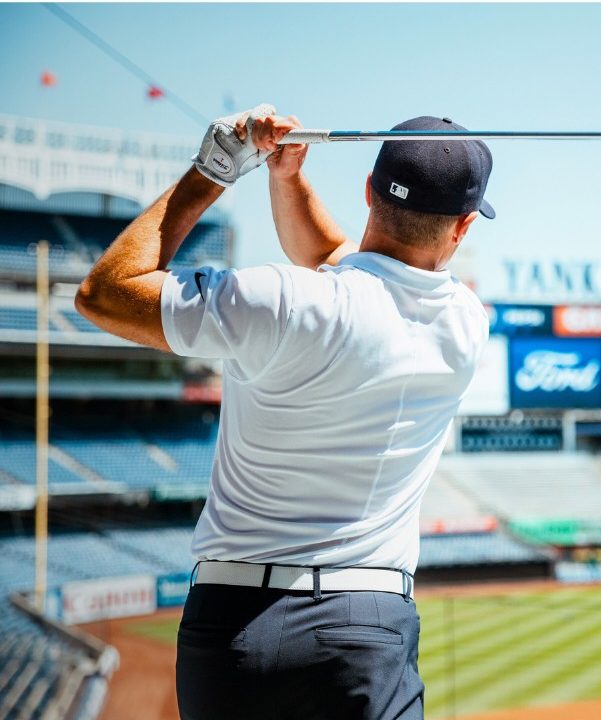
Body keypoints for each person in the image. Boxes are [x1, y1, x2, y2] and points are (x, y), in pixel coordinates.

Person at [75, 104, 494, 719]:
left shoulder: (276, 298)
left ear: (369, 192)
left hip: (232, 625)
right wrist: (287, 180)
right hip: (366, 624)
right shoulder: (465, 322)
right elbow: (347, 263)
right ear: (461, 228)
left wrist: (216, 169)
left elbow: (105, 293)